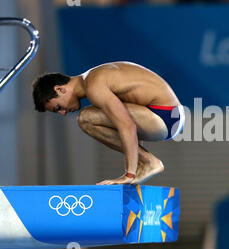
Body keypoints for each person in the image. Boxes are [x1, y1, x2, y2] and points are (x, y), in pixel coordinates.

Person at [32, 61, 184, 185]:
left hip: (165, 117)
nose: (63, 112)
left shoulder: (94, 86)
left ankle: (149, 163)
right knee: (97, 114)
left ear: (60, 89)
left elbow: (127, 125)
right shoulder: (92, 77)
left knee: (86, 118)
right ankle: (148, 162)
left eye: (58, 107)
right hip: (170, 115)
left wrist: (129, 174)